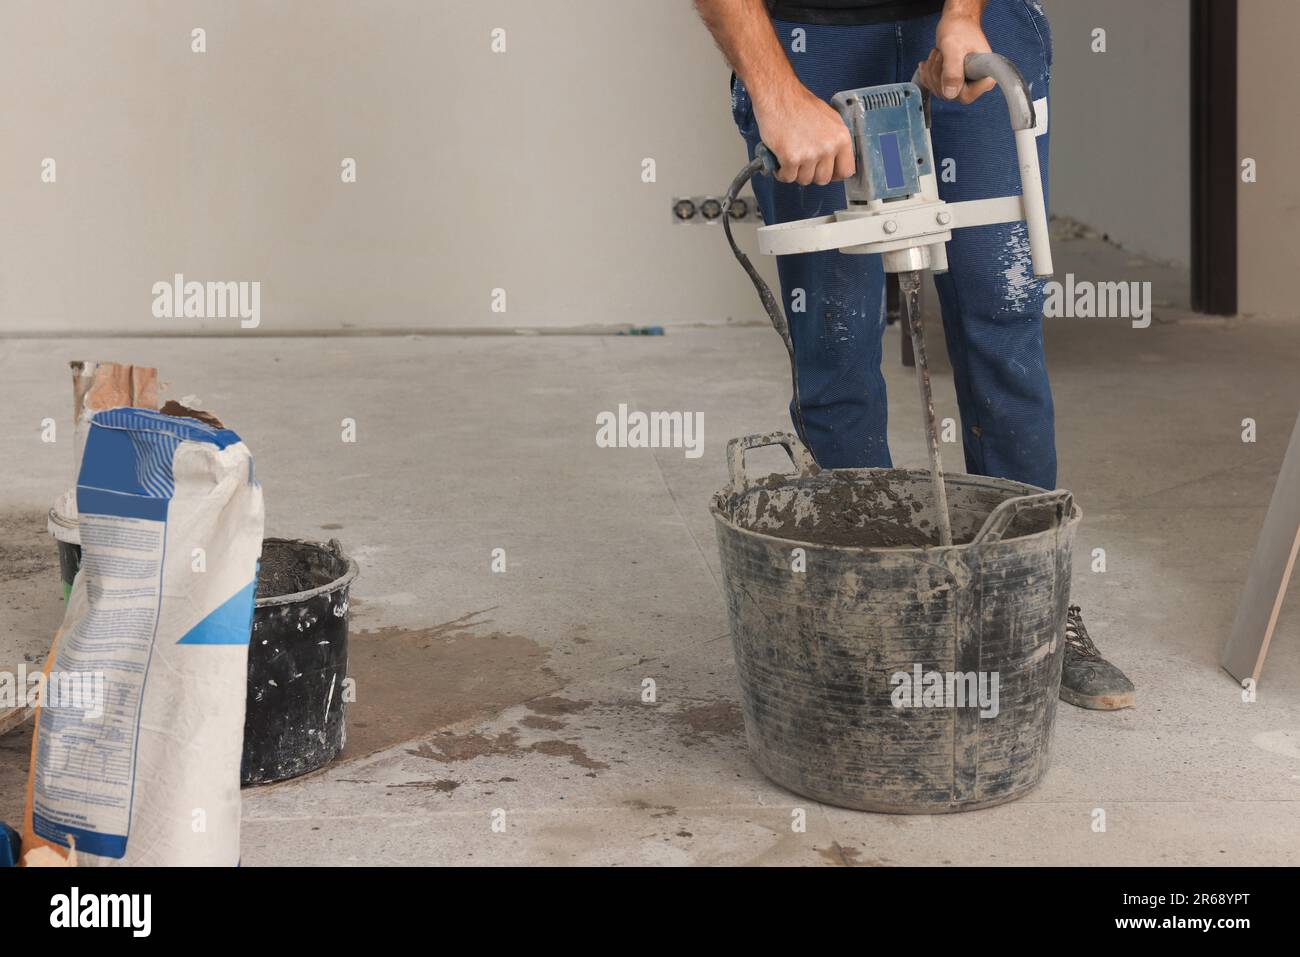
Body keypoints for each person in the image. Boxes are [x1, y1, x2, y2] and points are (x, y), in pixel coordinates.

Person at [694, 0, 1134, 709]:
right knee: (833, 339)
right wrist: (776, 92)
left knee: (1002, 313)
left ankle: (1030, 612)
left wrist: (962, 16)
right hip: (807, 32)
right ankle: (871, 623)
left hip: (972, 24)